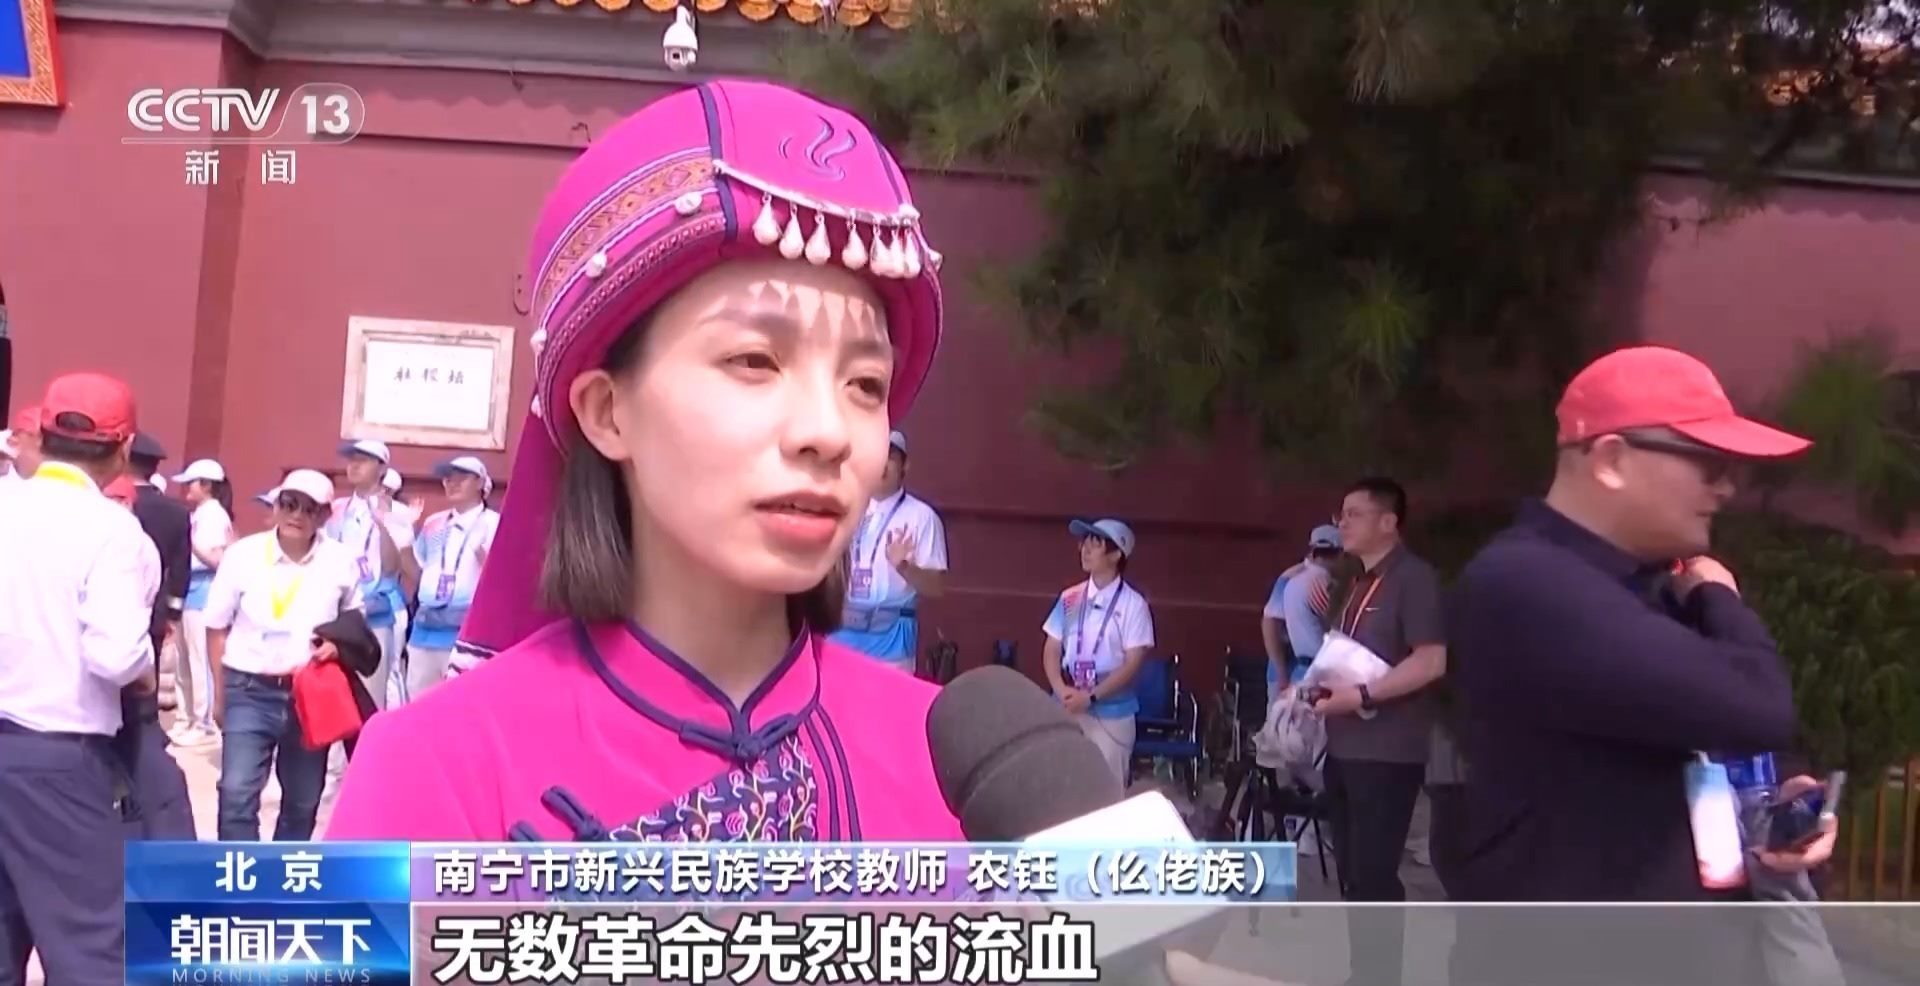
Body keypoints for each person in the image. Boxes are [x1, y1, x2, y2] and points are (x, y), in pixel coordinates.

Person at [324, 80, 960, 845]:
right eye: (755, 361)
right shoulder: (435, 768)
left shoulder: (951, 765)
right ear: (607, 411)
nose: (828, 432)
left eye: (866, 384)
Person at [1448, 347, 1822, 899]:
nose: (1726, 488)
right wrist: (1720, 595)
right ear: (1612, 461)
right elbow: (1757, 705)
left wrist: (1783, 794)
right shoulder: (1525, 583)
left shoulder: (1655, 580)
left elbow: (1710, 729)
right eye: (1710, 464)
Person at [0, 374, 159, 983]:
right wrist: (144, 670)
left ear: (41, 433)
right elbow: (116, 656)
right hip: (55, 757)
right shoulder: (110, 530)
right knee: (91, 945)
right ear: (124, 448)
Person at [1310, 477, 1445, 986]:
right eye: (1341, 513)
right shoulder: (1353, 582)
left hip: (1388, 751)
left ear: (1389, 522)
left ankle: (1379, 976)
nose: (1342, 523)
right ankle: (1362, 972)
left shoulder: (1415, 579)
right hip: (1343, 745)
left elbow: (1431, 661)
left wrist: (1364, 695)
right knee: (1351, 872)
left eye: (1355, 514)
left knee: (1374, 874)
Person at [203, 468, 364, 841]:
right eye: (289, 504)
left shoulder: (340, 561)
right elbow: (216, 627)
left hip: (309, 691)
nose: (297, 515)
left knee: (303, 800)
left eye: (309, 509)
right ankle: (240, 870)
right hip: (249, 688)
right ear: (275, 506)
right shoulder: (243, 555)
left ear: (325, 516)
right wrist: (220, 694)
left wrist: (337, 646)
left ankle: (283, 871)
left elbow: (354, 623)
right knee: (236, 792)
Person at [1041, 518, 1156, 787]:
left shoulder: (1133, 605)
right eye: (1084, 543)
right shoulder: (1070, 598)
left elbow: (1132, 663)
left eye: (1096, 544)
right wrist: (1060, 689)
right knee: (1061, 786)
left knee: (1106, 790)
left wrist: (1092, 696)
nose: (1086, 550)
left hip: (1112, 710)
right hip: (1068, 703)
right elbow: (1052, 647)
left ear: (1116, 554)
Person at [829, 430, 949, 675]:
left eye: (891, 457)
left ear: (905, 465)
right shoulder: (845, 509)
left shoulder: (922, 517)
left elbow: (936, 588)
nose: (882, 464)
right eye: (877, 456)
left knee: (886, 698)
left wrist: (905, 567)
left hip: (891, 640)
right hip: (839, 633)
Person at [326, 438, 414, 709]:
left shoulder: (397, 512)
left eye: (363, 461)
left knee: (370, 699)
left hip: (374, 615)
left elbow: (393, 566)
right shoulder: (335, 508)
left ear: (382, 468)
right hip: (335, 614)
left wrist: (383, 523)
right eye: (351, 460)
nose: (354, 466)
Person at [401, 456, 498, 700]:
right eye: (447, 479)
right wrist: (403, 539)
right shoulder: (434, 523)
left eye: (461, 478)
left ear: (479, 482)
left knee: (461, 703)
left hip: (466, 633)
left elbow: (503, 581)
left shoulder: (494, 523)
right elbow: (417, 569)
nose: (452, 484)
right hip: (425, 629)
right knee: (418, 702)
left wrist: (484, 559)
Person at [173, 457, 235, 746]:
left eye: (192, 483)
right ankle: (186, 717)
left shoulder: (214, 515)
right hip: (189, 591)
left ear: (207, 485)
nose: (187, 488)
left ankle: (205, 722)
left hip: (204, 594)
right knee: (184, 661)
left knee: (200, 661)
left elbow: (217, 559)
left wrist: (189, 544)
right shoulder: (199, 514)